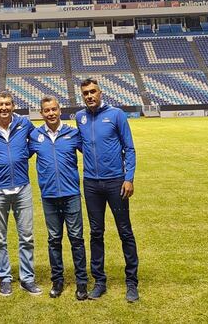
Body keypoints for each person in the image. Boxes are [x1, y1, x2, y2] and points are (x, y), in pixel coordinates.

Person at [75, 78, 139, 303]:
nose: (89, 96)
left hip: (115, 182)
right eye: (85, 93)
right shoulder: (80, 117)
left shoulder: (117, 114)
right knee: (96, 232)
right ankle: (99, 282)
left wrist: (128, 178)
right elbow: (82, 144)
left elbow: (129, 148)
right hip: (91, 183)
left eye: (93, 91)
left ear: (100, 93)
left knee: (125, 231)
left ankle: (131, 282)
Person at [0, 90, 42, 296]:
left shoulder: (24, 123)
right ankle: (4, 278)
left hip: (22, 188)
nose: (4, 108)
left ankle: (27, 278)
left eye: (7, 104)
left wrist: (23, 155)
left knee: (27, 237)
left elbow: (37, 141)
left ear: (13, 106)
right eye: (0, 104)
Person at [28, 96, 88, 300]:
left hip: (71, 195)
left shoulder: (73, 133)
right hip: (49, 196)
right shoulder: (35, 136)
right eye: (47, 110)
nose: (51, 113)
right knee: (54, 240)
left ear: (60, 110)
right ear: (41, 113)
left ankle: (82, 282)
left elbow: (91, 151)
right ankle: (57, 281)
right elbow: (20, 154)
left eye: (54, 109)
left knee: (76, 239)